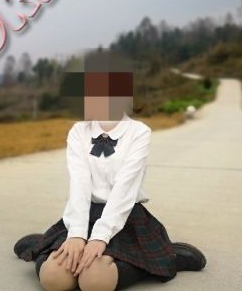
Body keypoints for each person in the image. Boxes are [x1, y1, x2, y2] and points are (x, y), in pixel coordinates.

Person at [14, 63, 206, 291]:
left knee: (95, 283)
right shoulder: (78, 131)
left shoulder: (139, 132)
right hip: (84, 213)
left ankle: (168, 257)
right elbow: (79, 184)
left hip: (124, 216)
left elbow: (125, 188)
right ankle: (44, 245)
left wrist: (99, 237)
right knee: (54, 280)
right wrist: (76, 235)